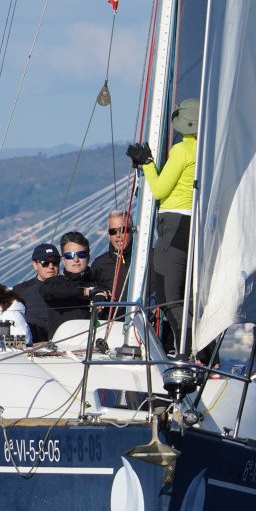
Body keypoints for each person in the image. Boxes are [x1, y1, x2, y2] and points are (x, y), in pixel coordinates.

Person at [126, 97, 198, 356]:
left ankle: (189, 353)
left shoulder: (182, 150)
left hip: (174, 224)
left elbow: (159, 190)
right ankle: (205, 355)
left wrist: (147, 163)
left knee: (169, 296)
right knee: (188, 297)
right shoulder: (206, 151)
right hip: (195, 225)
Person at [40, 231, 108, 338]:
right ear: (63, 260)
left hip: (91, 345)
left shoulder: (98, 285)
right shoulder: (54, 284)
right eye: (70, 255)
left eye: (81, 255)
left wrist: (101, 295)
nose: (76, 260)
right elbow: (48, 291)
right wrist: (85, 292)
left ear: (88, 257)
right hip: (61, 345)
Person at [12, 243, 60, 343]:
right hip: (31, 346)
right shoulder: (20, 291)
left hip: (64, 344)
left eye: (55, 262)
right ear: (35, 265)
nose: (51, 266)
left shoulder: (71, 289)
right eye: (45, 262)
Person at [91, 209, 134, 302]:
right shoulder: (99, 265)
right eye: (113, 231)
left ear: (132, 231)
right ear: (108, 235)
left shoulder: (151, 258)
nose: (118, 235)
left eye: (123, 230)